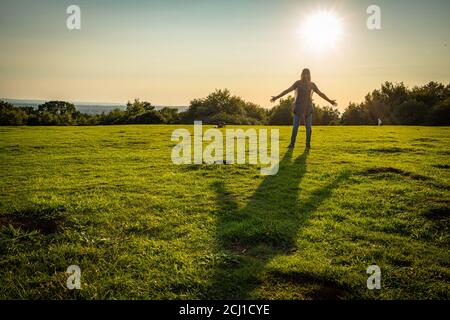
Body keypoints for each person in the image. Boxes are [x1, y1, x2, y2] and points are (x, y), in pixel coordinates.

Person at [270, 68, 337, 149]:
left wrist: (330, 101)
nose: (306, 75)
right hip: (298, 108)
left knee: (308, 127)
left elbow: (321, 94)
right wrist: (276, 97)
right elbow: (287, 90)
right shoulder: (297, 83)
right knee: (295, 127)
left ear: (309, 75)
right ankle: (292, 144)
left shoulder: (312, 84)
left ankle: (307, 144)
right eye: (304, 74)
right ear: (302, 74)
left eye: (307, 74)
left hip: (308, 108)